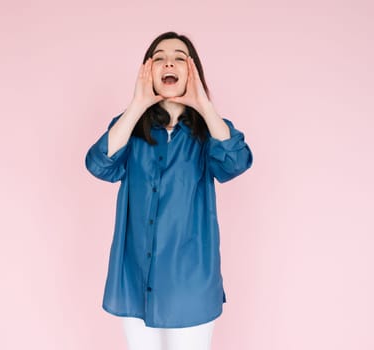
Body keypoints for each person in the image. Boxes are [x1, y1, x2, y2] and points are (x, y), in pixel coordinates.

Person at [85, 31, 253, 350]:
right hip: (134, 279)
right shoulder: (129, 127)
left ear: (192, 71)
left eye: (179, 57)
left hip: (191, 282)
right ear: (147, 71)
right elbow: (99, 165)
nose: (169, 63)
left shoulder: (211, 131)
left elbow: (236, 163)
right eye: (159, 58)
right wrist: (138, 104)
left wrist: (203, 103)